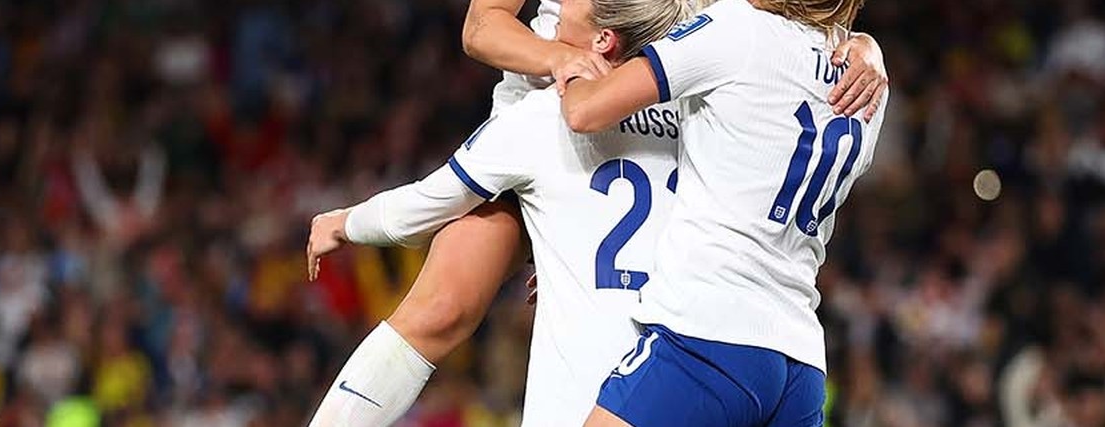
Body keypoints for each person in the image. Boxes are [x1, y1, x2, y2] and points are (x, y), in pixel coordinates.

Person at [304, 0, 888, 425]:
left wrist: (861, 45)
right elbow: (482, 26)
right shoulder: (552, 96)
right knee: (443, 306)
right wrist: (565, 57)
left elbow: (784, 29)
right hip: (560, 111)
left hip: (666, 122)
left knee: (627, 322)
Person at [558, 0, 889, 425]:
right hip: (800, 365)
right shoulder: (871, 81)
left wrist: (571, 65)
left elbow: (585, 111)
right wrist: (867, 43)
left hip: (708, 333)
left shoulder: (739, 29)